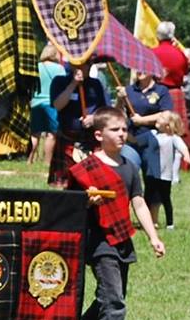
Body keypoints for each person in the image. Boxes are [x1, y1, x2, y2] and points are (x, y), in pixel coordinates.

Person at [63, 107, 166, 320]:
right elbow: (69, 205)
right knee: (114, 300)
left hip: (122, 238)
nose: (122, 134)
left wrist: (153, 237)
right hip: (98, 241)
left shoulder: (129, 167)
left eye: (124, 130)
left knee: (108, 298)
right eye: (115, 130)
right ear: (98, 135)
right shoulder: (85, 168)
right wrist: (88, 201)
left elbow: (138, 203)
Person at [47, 59, 108, 188]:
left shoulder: (95, 84)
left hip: (90, 138)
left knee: (92, 180)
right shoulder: (60, 81)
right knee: (68, 183)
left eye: (88, 64)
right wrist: (73, 84)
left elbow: (105, 110)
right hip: (67, 137)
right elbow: (58, 105)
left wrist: (94, 118)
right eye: (83, 64)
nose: (86, 67)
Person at [116, 70, 173, 208]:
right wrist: (119, 100)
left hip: (153, 141)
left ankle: (151, 216)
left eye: (144, 68)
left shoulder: (161, 90)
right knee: (126, 175)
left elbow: (166, 113)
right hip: (131, 140)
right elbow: (117, 114)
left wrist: (142, 120)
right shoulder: (128, 90)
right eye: (137, 68)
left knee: (152, 179)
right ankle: (123, 210)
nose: (139, 71)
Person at [152, 110, 190, 230]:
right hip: (153, 174)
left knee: (165, 199)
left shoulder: (173, 138)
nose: (158, 117)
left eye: (162, 117)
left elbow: (183, 147)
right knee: (152, 198)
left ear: (168, 125)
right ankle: (152, 221)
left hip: (165, 175)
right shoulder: (153, 134)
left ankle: (170, 224)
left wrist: (186, 155)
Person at [28, 43, 64, 167]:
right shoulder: (59, 69)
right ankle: (47, 162)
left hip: (35, 103)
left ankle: (30, 159)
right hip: (51, 104)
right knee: (51, 134)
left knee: (35, 133)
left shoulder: (36, 67)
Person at [152, 20, 189, 125]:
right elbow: (185, 71)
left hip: (155, 94)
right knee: (177, 129)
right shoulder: (180, 54)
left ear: (157, 36)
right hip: (174, 94)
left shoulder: (152, 53)